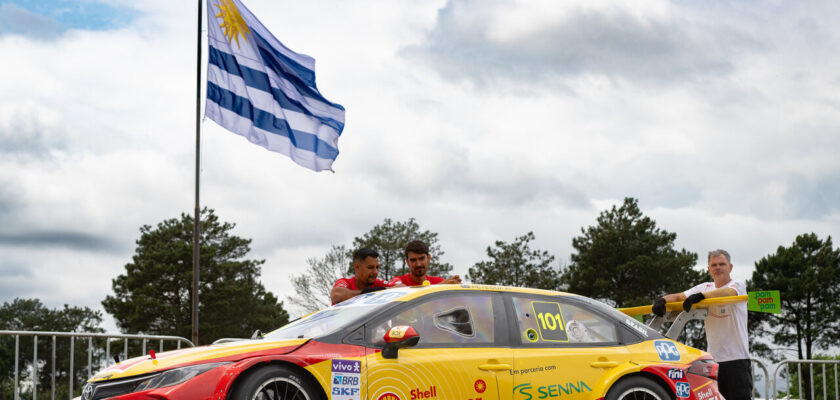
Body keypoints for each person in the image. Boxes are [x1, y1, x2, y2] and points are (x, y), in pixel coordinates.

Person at [652, 249, 751, 400]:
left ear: (730, 267)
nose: (718, 268)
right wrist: (662, 300)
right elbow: (680, 296)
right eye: (714, 265)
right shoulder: (705, 287)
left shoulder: (738, 284)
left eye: (722, 264)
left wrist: (701, 297)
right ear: (709, 269)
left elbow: (728, 293)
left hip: (736, 361)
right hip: (712, 362)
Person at [388, 240, 462, 286]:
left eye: (421, 258)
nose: (418, 264)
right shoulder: (398, 281)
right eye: (413, 260)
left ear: (428, 258)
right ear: (407, 262)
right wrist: (438, 287)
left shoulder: (439, 281)